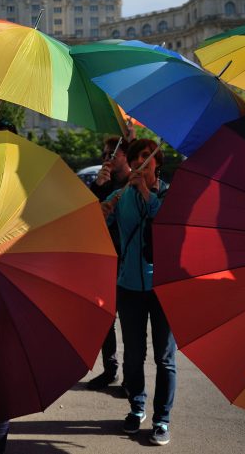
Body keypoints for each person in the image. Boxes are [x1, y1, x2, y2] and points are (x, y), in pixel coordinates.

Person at [101, 138, 174, 446]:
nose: (143, 161)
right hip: (129, 286)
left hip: (164, 288)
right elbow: (97, 224)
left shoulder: (171, 195)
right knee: (134, 355)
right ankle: (137, 407)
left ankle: (162, 419)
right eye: (138, 157)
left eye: (148, 156)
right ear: (130, 163)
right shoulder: (122, 195)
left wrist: (146, 191)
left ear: (157, 162)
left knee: (165, 357)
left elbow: (166, 224)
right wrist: (103, 195)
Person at [86, 136, 131, 391]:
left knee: (129, 323)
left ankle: (130, 376)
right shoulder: (104, 183)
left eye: (111, 154)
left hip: (127, 261)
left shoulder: (134, 183)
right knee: (105, 319)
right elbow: (90, 219)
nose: (106, 159)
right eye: (104, 155)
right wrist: (98, 188)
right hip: (105, 260)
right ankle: (110, 369)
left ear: (124, 155)